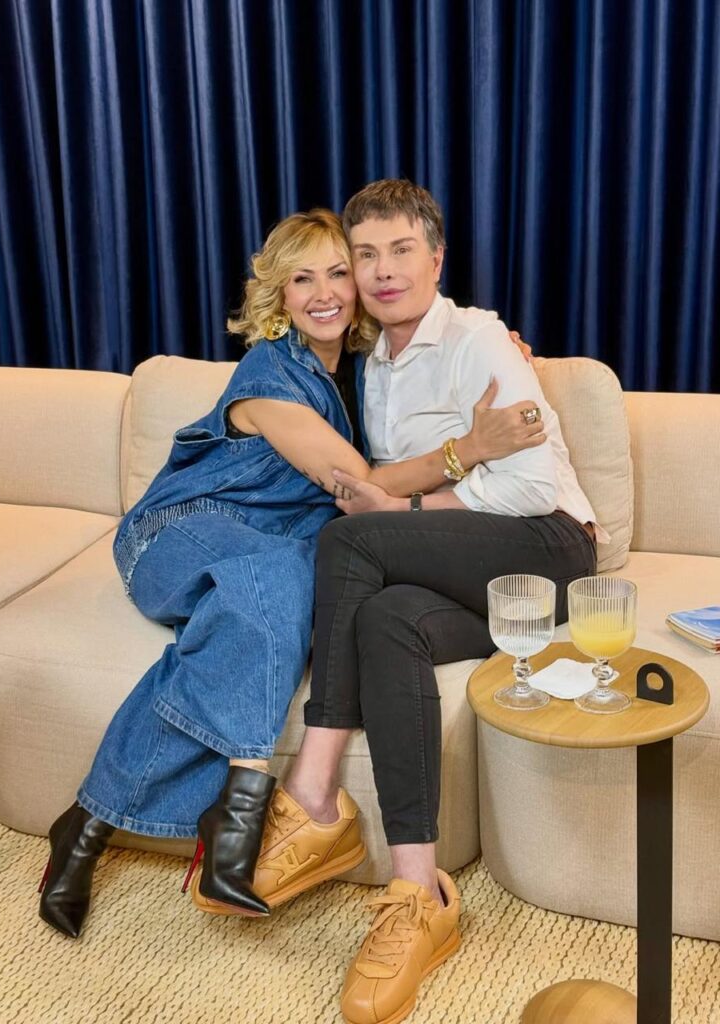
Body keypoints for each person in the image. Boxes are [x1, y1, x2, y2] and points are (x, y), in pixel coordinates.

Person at [37, 207, 541, 939]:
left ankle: (86, 824)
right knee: (280, 579)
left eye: (339, 272)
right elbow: (358, 481)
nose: (325, 293)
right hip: (180, 534)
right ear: (280, 294)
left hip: (272, 552)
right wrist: (471, 448)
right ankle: (239, 810)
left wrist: (505, 354)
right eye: (303, 279)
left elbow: (452, 348)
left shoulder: (367, 372)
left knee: (276, 595)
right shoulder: (269, 373)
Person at [192, 180, 602, 1024]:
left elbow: (530, 490)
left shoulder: (479, 340)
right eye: (365, 255)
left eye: (401, 251)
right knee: (385, 619)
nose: (381, 271)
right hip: (476, 581)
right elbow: (355, 466)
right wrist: (415, 488)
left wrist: (402, 510)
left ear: (436, 259)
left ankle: (312, 796)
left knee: (352, 541)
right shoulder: (368, 361)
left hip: (550, 552)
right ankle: (420, 895)